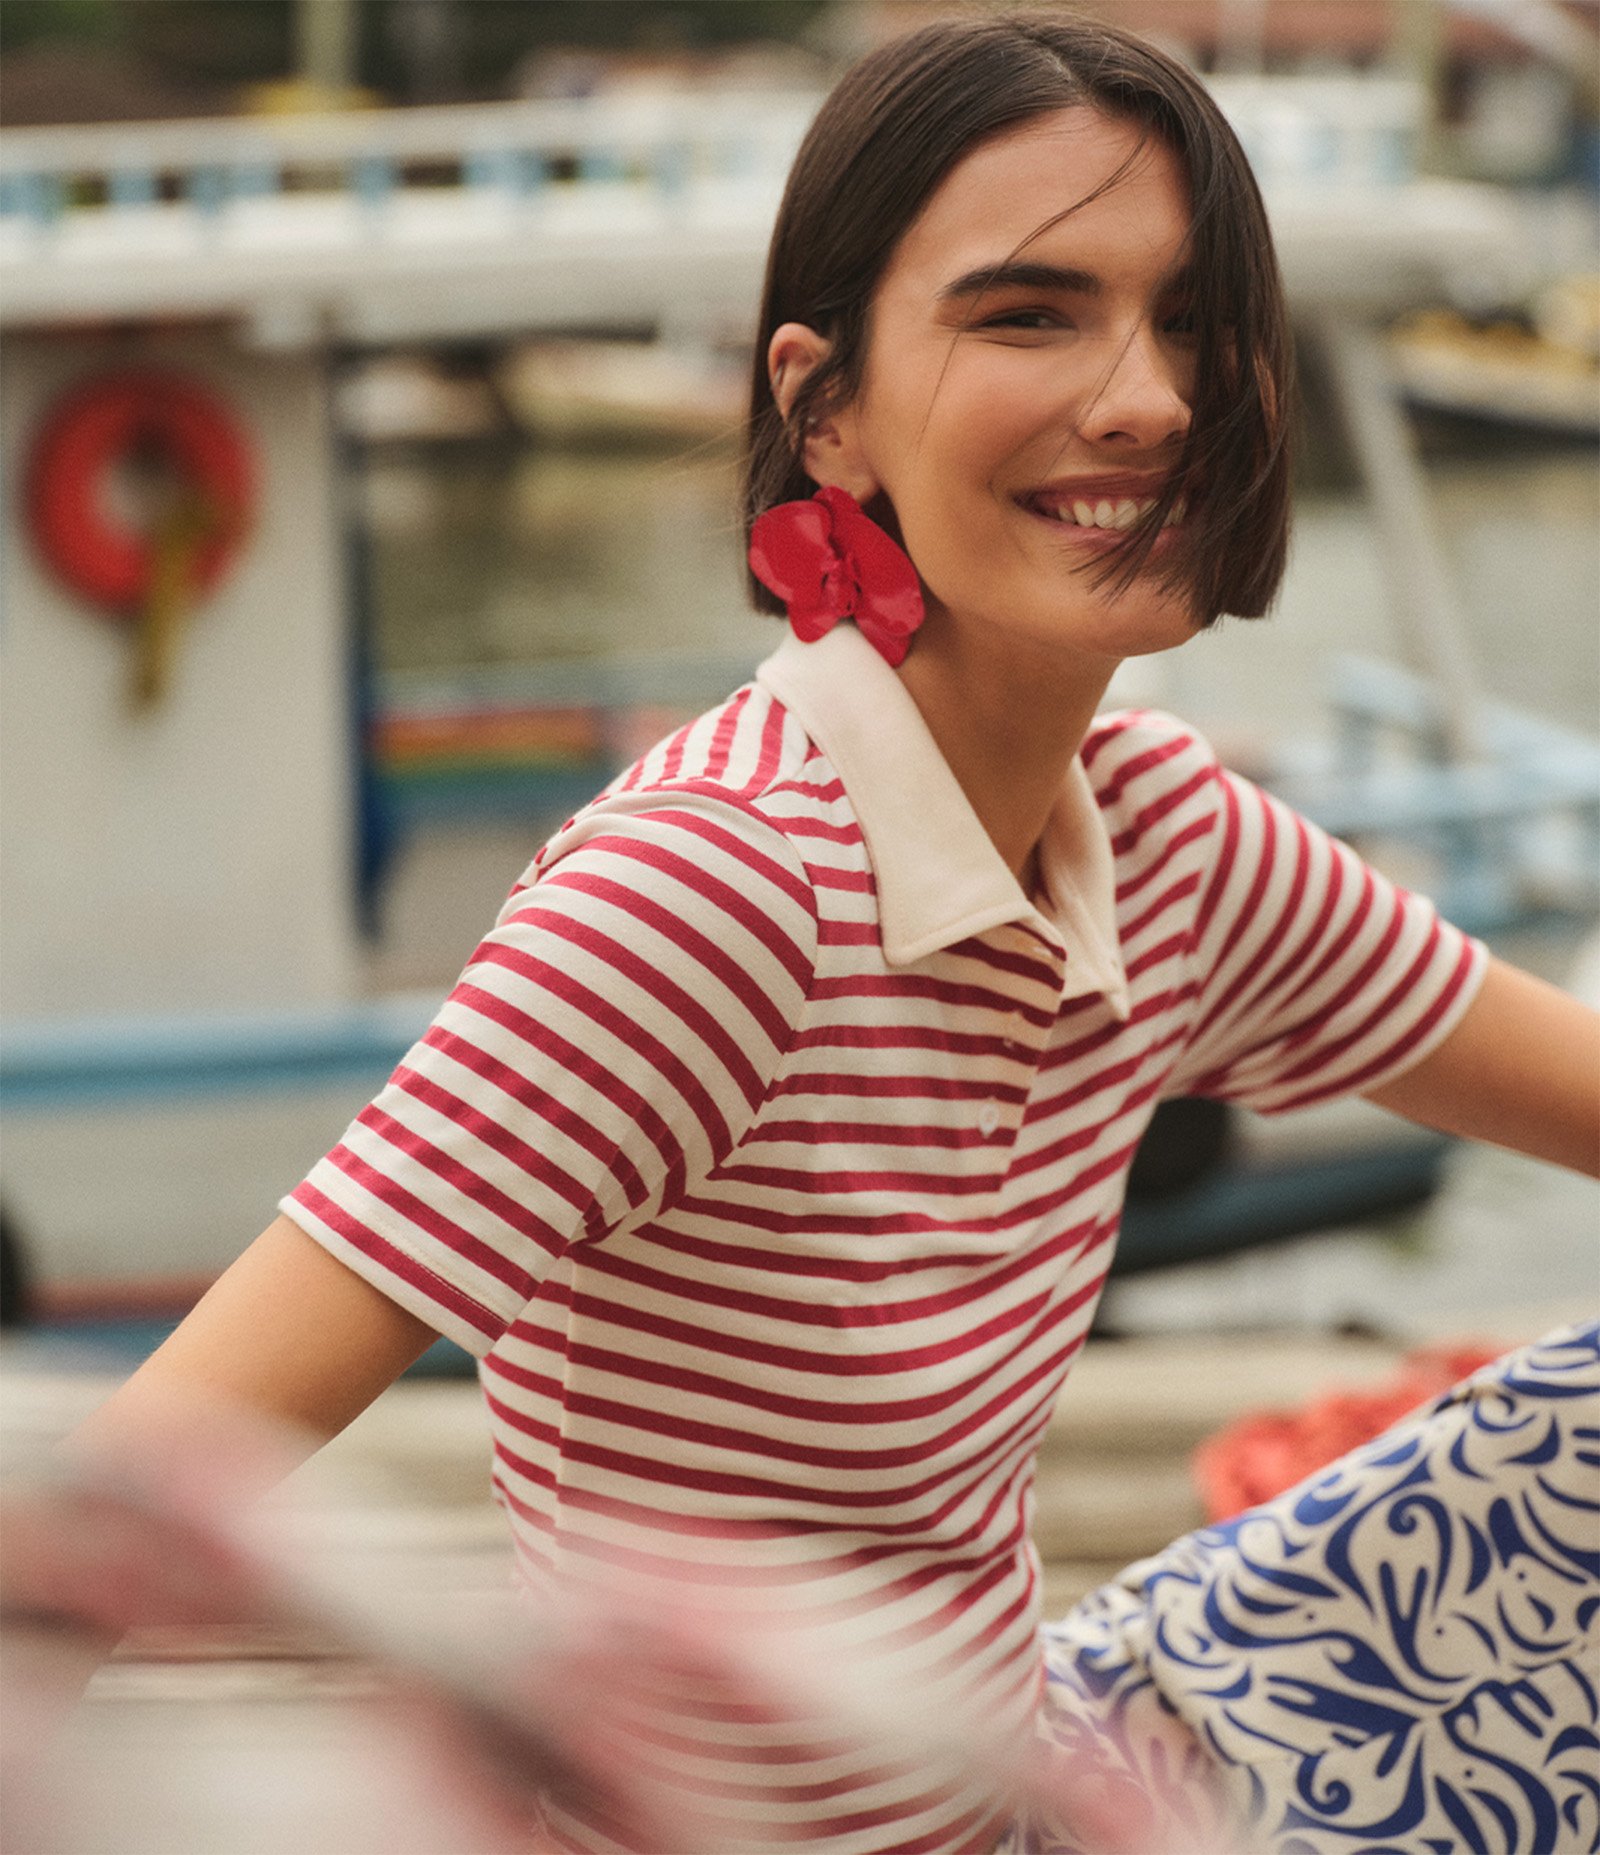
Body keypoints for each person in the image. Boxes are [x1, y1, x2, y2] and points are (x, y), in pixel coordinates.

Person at [35, 14, 1600, 1855]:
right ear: (823, 406)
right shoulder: (709, 894)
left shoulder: (1168, 838)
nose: (1151, 401)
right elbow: (132, 1498)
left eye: (1192, 320)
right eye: (1030, 315)